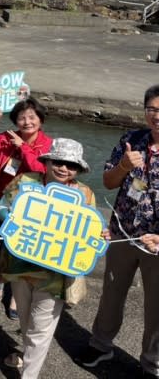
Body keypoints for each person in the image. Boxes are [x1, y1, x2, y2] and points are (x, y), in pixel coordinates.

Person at [0, 138, 99, 378]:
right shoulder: (25, 181)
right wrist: (12, 217)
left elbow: (92, 228)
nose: (64, 169)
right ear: (48, 161)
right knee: (25, 320)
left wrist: (99, 234)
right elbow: (2, 206)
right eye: (59, 162)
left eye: (71, 165)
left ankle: (29, 375)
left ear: (78, 170)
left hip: (55, 274)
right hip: (19, 265)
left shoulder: (84, 193)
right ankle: (26, 356)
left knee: (40, 330)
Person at [78, 84, 159, 375]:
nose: (157, 116)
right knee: (112, 293)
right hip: (124, 232)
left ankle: (152, 364)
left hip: (157, 244)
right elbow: (110, 182)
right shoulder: (131, 139)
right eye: (152, 109)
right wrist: (124, 164)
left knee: (156, 309)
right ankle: (100, 344)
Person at [0, 97, 52, 314]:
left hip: (28, 206)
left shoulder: (47, 144)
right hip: (0, 202)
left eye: (32, 117)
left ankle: (16, 296)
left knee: (21, 248)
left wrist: (23, 147)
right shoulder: (6, 139)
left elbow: (41, 169)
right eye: (21, 118)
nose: (27, 122)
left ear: (41, 120)